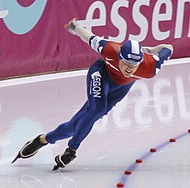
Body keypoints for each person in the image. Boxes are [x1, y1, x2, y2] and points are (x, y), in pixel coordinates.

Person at [12, 18, 173, 170]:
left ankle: (43, 140)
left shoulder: (150, 67)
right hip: (101, 74)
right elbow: (88, 37)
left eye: (134, 64)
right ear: (119, 56)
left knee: (76, 126)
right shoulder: (109, 49)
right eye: (126, 62)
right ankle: (71, 151)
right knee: (97, 109)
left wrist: (151, 50)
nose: (130, 68)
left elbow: (169, 48)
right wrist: (75, 28)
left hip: (122, 87)